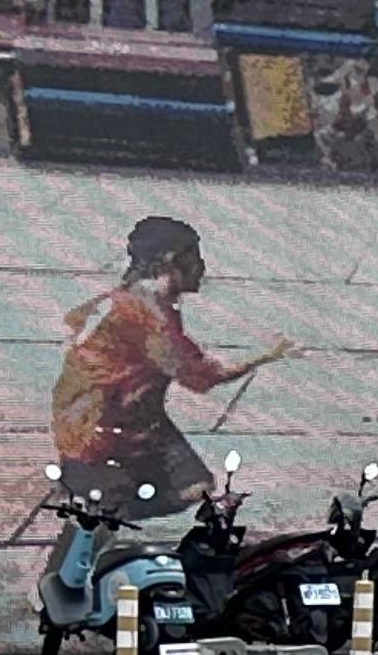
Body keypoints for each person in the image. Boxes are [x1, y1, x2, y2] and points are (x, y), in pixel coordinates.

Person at [51, 216, 298, 515]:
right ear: (171, 262)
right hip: (108, 431)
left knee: (193, 480)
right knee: (193, 487)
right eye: (195, 258)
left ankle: (96, 493)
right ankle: (104, 505)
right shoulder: (148, 312)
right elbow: (200, 376)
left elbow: (74, 326)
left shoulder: (129, 297)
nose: (203, 268)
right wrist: (266, 354)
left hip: (103, 419)